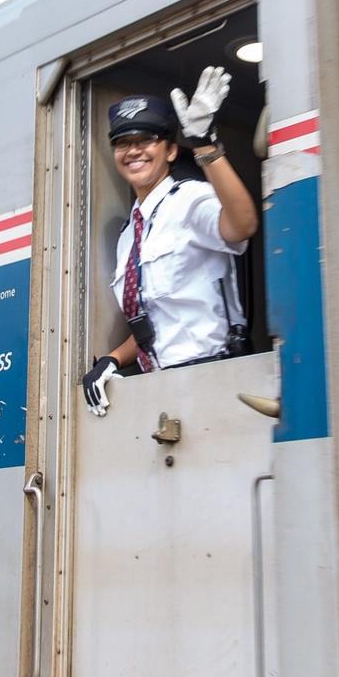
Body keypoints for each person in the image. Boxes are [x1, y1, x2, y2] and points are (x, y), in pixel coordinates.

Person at [81, 66, 259, 415]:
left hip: (211, 378)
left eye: (146, 140)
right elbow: (159, 322)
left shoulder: (190, 198)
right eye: (122, 142)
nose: (133, 150)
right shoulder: (129, 235)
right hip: (161, 388)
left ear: (171, 151)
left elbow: (243, 224)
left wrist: (204, 142)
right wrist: (113, 360)